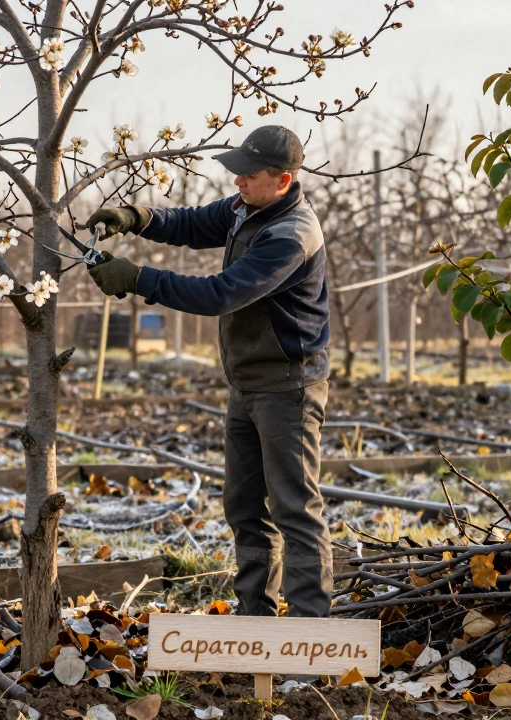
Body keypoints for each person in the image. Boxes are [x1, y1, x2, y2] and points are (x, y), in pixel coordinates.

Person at [81, 125, 332, 618]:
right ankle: (256, 617)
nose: (238, 181)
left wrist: (139, 278)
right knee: (244, 506)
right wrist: (137, 217)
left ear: (282, 180)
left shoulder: (291, 235)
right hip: (246, 384)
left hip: (288, 388)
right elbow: (193, 224)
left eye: (249, 174)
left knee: (295, 508)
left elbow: (219, 294)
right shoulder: (247, 208)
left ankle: (311, 628)